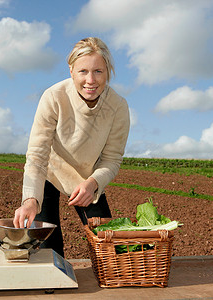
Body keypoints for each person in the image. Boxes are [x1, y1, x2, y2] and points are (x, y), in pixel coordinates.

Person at [13, 37, 130, 257]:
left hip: (87, 179)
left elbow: (112, 159)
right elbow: (37, 155)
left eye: (98, 71)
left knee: (109, 248)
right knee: (48, 249)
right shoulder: (54, 97)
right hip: (49, 171)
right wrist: (30, 200)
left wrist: (93, 184)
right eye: (83, 71)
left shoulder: (118, 107)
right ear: (71, 71)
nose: (90, 80)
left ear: (108, 72)